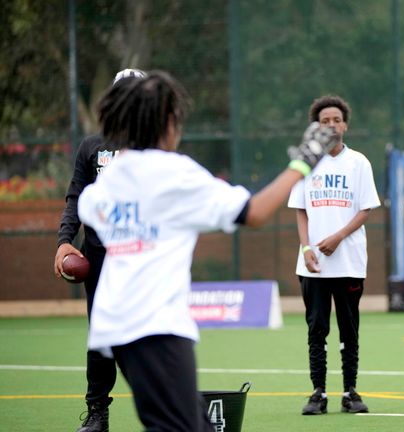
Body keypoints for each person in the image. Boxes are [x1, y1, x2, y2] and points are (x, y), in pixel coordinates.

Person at [77, 71, 339, 430]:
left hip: (116, 328)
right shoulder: (175, 174)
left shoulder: (110, 179)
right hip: (155, 327)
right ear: (167, 122)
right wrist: (304, 161)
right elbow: (256, 212)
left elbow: (89, 207)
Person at [54, 68, 146, 432]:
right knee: (101, 337)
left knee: (146, 338)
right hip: (98, 258)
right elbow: (76, 196)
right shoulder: (92, 146)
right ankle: (97, 412)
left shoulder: (155, 148)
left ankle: (166, 409)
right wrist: (64, 241)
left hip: (141, 259)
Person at [288, 95, 380, 415]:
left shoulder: (359, 163)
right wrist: (307, 248)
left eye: (336, 120)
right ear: (316, 126)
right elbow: (300, 210)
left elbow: (365, 208)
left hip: (349, 262)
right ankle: (318, 393)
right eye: (324, 121)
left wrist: (339, 237)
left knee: (349, 328)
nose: (331, 125)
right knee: (317, 329)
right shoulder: (305, 162)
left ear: (345, 125)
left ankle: (350, 392)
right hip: (313, 264)